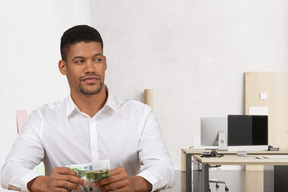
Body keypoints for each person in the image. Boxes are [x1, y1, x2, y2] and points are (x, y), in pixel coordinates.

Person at [1, 25, 175, 192]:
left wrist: (137, 182)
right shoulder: (43, 118)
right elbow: (10, 170)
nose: (90, 68)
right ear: (63, 67)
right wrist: (41, 183)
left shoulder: (140, 114)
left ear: (105, 63)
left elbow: (164, 167)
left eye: (97, 60)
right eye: (80, 61)